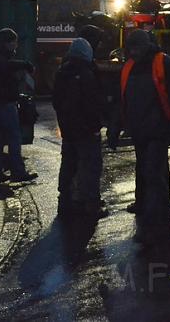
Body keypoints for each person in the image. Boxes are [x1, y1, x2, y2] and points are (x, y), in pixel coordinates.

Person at [111, 30, 170, 246]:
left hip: (157, 130)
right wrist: (115, 128)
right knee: (149, 168)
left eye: (136, 48)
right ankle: (151, 205)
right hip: (140, 130)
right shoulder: (132, 66)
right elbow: (121, 100)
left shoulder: (162, 64)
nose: (134, 52)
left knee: (152, 171)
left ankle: (155, 218)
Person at [53, 38, 107, 218]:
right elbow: (92, 103)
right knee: (90, 165)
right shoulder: (87, 73)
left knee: (68, 162)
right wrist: (95, 125)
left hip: (68, 130)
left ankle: (66, 199)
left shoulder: (62, 72)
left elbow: (56, 101)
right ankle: (91, 203)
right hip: (86, 130)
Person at [0, 28, 38, 184]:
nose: (16, 45)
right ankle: (18, 172)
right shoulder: (0, 57)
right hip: (4, 102)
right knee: (14, 137)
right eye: (14, 42)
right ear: (8, 42)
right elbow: (5, 67)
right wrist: (24, 64)